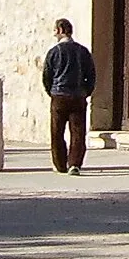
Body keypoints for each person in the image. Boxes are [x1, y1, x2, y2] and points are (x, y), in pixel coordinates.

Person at [42, 18, 97, 175]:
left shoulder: (54, 52)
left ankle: (60, 165)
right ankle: (75, 164)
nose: (54, 34)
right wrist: (86, 92)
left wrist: (52, 91)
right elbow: (91, 75)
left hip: (59, 95)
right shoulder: (83, 51)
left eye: (54, 30)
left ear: (60, 30)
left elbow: (47, 75)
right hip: (78, 95)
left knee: (57, 131)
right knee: (78, 132)